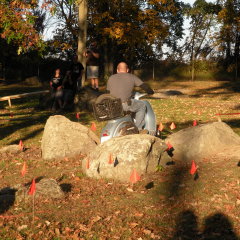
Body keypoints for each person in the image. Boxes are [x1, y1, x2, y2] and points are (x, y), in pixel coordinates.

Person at [107, 62, 154, 132]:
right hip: (124, 105)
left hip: (112, 106)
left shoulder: (111, 78)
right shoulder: (131, 76)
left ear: (117, 70)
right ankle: (138, 129)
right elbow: (144, 86)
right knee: (142, 106)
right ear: (127, 70)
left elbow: (108, 93)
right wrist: (151, 92)